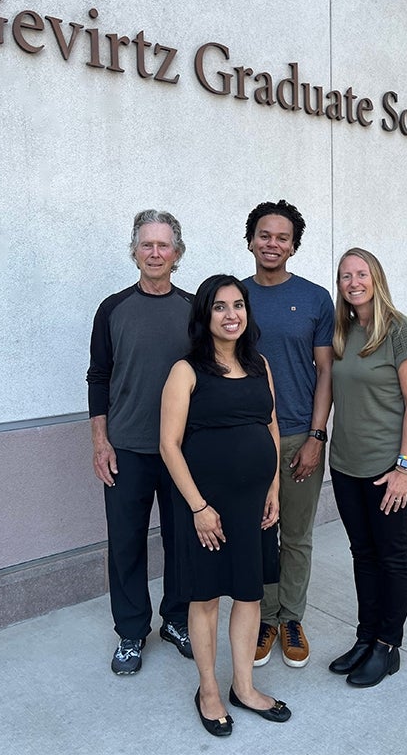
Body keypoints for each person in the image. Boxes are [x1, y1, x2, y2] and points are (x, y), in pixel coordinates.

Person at [160, 274, 291, 737]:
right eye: (220, 306)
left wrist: (273, 488)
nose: (231, 314)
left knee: (249, 593)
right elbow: (169, 445)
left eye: (239, 305)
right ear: (205, 315)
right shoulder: (186, 370)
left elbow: (271, 426)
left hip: (254, 502)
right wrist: (198, 507)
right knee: (207, 596)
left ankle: (245, 687)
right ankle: (209, 690)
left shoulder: (260, 365)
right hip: (206, 508)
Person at [86, 209, 194, 675]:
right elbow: (99, 377)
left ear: (177, 254)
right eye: (146, 245)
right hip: (126, 449)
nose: (155, 253)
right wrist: (100, 441)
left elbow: (208, 378)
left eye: (163, 245)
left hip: (183, 452)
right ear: (134, 251)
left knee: (183, 541)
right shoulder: (113, 309)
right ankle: (131, 631)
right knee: (126, 543)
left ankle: (176, 619)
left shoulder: (195, 310)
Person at [328, 248, 407, 688]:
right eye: (345, 275)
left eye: (361, 273)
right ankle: (365, 636)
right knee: (362, 555)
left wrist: (405, 467)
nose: (353, 282)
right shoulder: (344, 331)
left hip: (387, 469)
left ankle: (388, 646)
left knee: (391, 556)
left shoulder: (401, 332)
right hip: (346, 467)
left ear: (376, 278)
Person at [242, 200, 334, 668]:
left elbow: (325, 371)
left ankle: (291, 618)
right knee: (259, 534)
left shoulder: (317, 298)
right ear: (250, 240)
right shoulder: (232, 296)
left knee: (295, 535)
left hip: (299, 435)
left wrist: (317, 435)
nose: (271, 243)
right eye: (264, 235)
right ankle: (264, 617)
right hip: (249, 439)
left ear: (293, 245)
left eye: (281, 237)